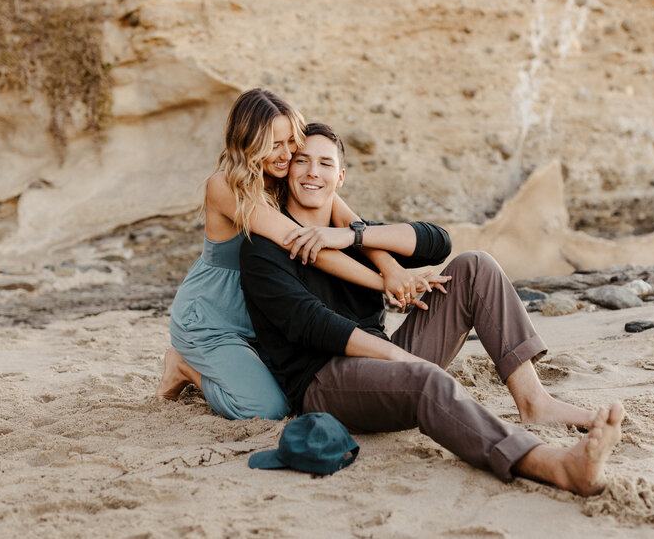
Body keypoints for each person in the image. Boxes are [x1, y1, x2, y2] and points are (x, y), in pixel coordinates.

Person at [239, 122, 624, 495]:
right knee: (427, 381)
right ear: (287, 170)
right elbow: (311, 323)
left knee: (476, 266)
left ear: (341, 178)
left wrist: (351, 234)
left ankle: (534, 401)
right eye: (302, 160)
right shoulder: (264, 246)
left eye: (325, 164)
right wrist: (401, 358)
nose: (312, 172)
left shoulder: (354, 236)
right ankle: (551, 465)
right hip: (323, 382)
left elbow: (438, 242)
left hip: (380, 361)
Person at [155, 89, 439, 420]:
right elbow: (307, 248)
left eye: (291, 141)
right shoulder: (225, 186)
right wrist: (381, 283)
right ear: (249, 143)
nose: (288, 153)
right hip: (212, 316)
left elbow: (352, 224)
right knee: (267, 408)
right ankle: (185, 368)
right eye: (275, 144)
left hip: (260, 312)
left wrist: (392, 269)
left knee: (289, 392)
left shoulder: (286, 177)